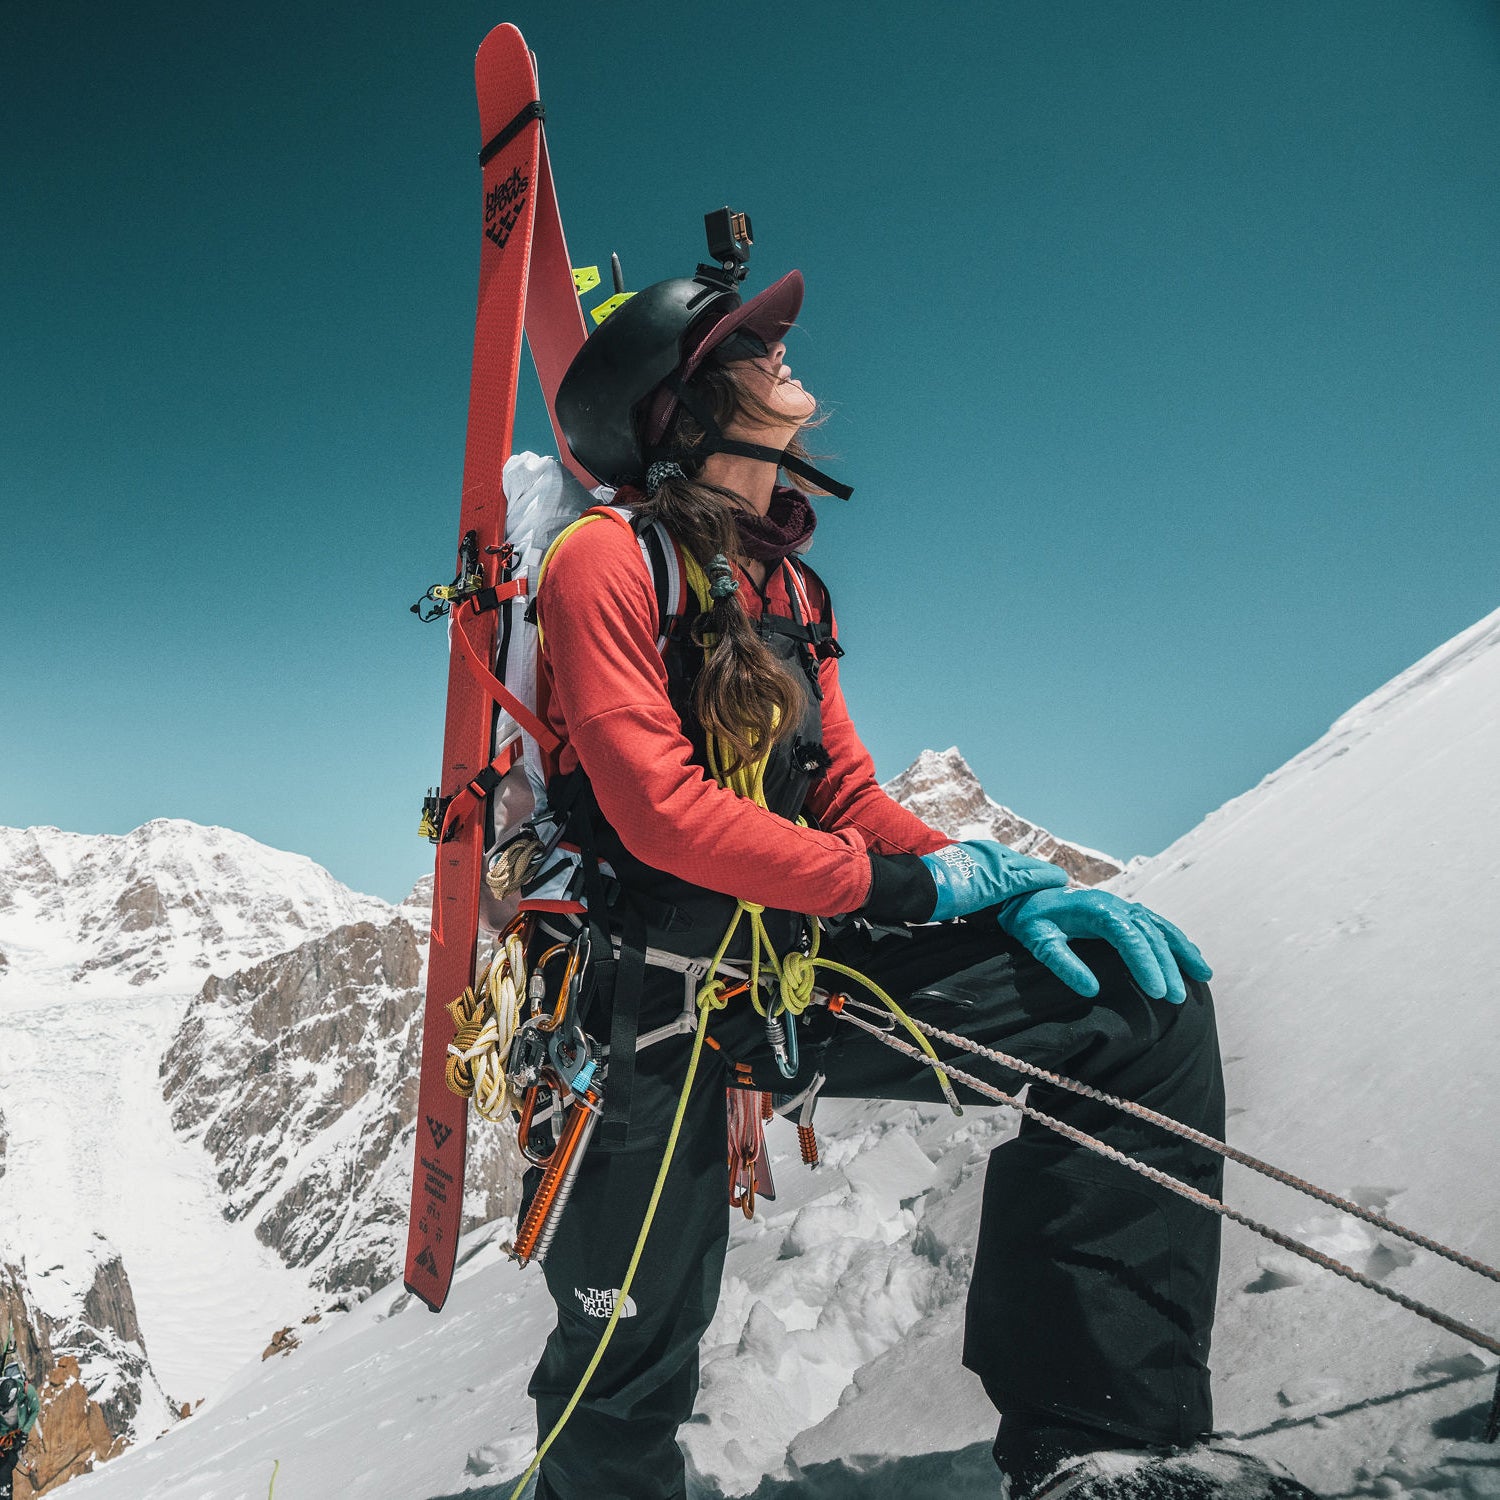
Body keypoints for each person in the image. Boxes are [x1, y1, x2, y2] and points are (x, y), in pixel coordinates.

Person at [516, 219, 1300, 1500]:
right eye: (756, 349)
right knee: (632, 1332)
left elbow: (846, 791)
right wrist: (905, 887)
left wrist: (983, 869)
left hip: (790, 965)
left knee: (1136, 1021)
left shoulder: (789, 593)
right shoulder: (606, 562)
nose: (786, 357)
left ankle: (1098, 1438)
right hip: (651, 996)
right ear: (695, 406)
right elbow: (655, 810)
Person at [0, 1347, 39, 1500]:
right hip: (4, 1434)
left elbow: (35, 1409)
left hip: (15, 1433)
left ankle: (5, 1494)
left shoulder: (27, 1390)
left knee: (5, 1468)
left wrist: (24, 1433)